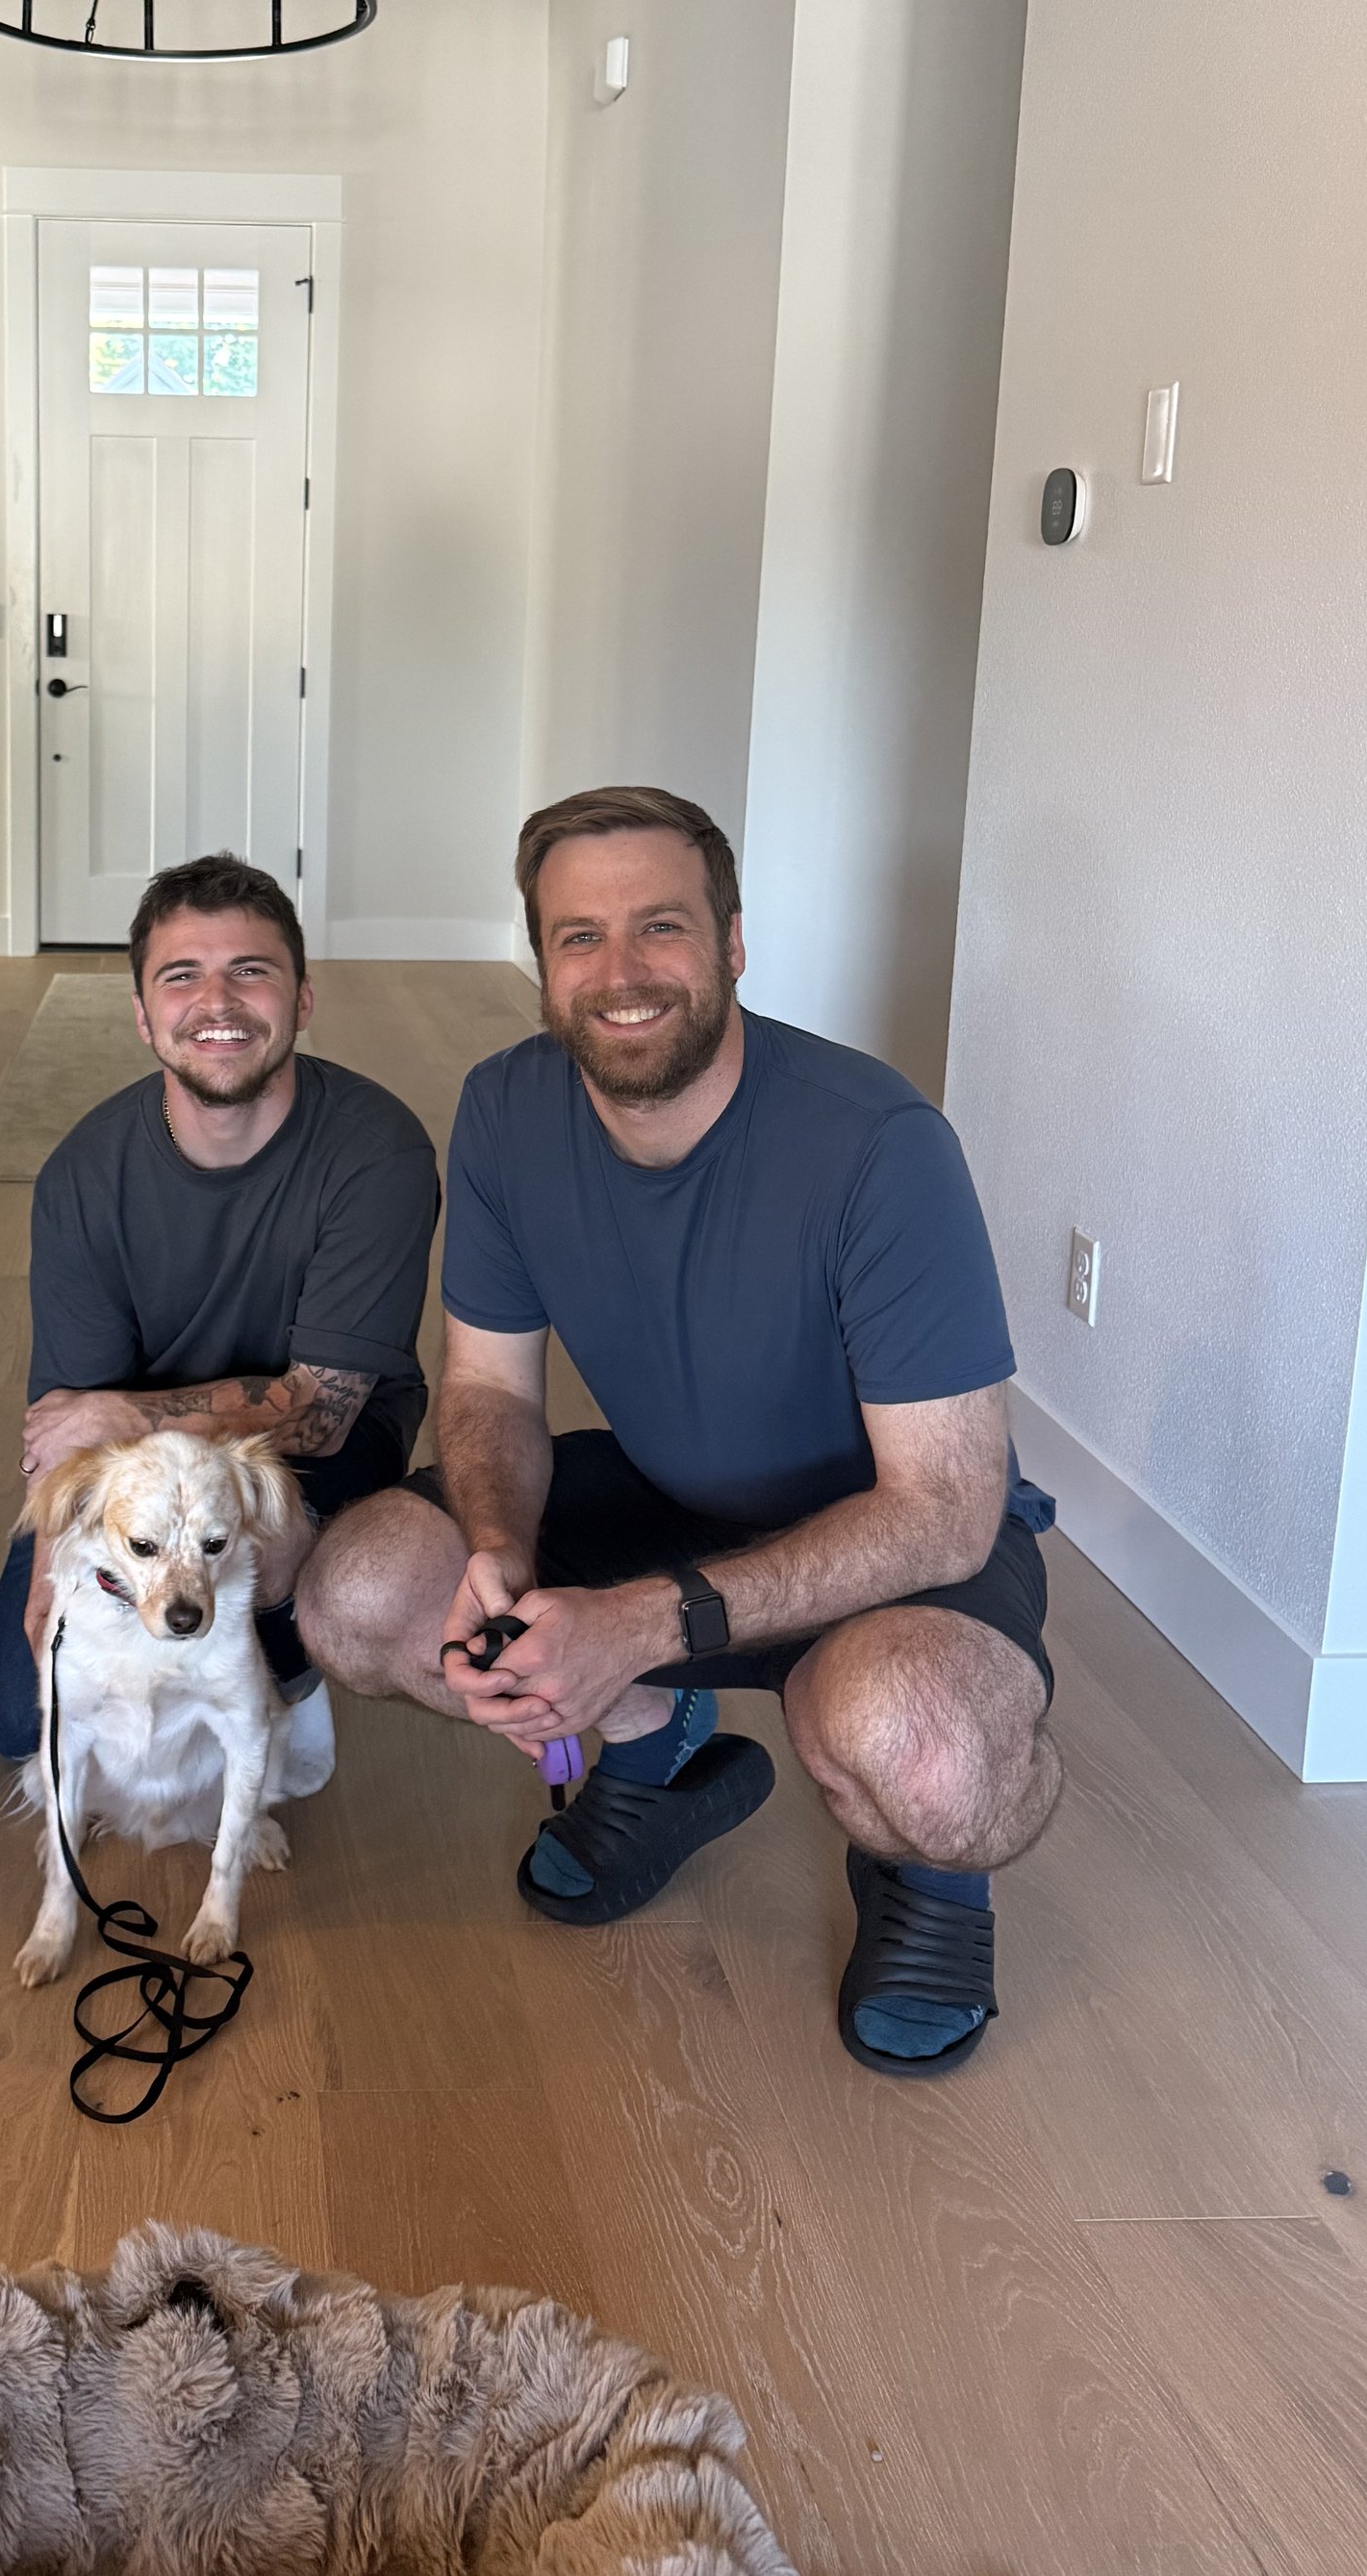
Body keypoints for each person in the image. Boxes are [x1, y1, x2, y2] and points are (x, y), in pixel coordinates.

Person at [298, 788, 1060, 2076]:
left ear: (734, 942)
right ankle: (658, 1755)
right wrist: (496, 1546)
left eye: (661, 927)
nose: (621, 972)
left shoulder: (880, 1145)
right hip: (667, 1499)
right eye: (579, 937)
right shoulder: (504, 1109)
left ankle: (925, 1875)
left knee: (926, 1757)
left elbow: (942, 1506)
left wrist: (646, 1623)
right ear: (540, 960)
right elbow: (487, 1392)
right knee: (364, 1595)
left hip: (887, 1546)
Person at [0, 854, 440, 1759]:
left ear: (302, 999)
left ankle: (291, 1665)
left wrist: (121, 1415)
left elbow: (320, 1411)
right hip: (138, 1465)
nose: (217, 1003)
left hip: (320, 1450)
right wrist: (50, 1575)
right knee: (14, 1713)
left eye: (251, 971)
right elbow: (73, 1425)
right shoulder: (84, 1173)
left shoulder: (378, 1148)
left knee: (265, 1603)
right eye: (182, 976)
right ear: (143, 1015)